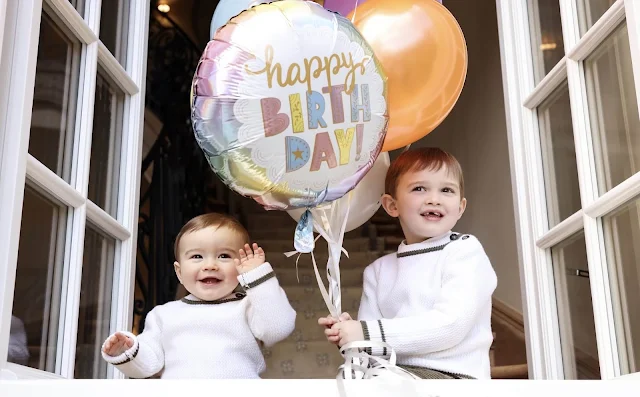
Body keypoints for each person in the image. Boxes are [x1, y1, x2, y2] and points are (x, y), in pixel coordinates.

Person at [318, 147, 497, 380]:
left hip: (453, 378)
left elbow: (450, 326)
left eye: (446, 190)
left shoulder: (464, 251)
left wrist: (366, 332)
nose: (434, 199)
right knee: (350, 380)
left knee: (384, 384)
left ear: (460, 207)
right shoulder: (378, 271)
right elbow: (372, 355)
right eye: (419, 188)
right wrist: (351, 338)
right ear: (392, 206)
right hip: (394, 375)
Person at [101, 212, 296, 379]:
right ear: (179, 272)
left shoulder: (248, 308)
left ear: (241, 266)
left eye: (224, 256)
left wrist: (258, 276)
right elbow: (150, 362)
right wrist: (127, 351)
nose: (210, 265)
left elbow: (279, 327)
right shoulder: (164, 315)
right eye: (197, 256)